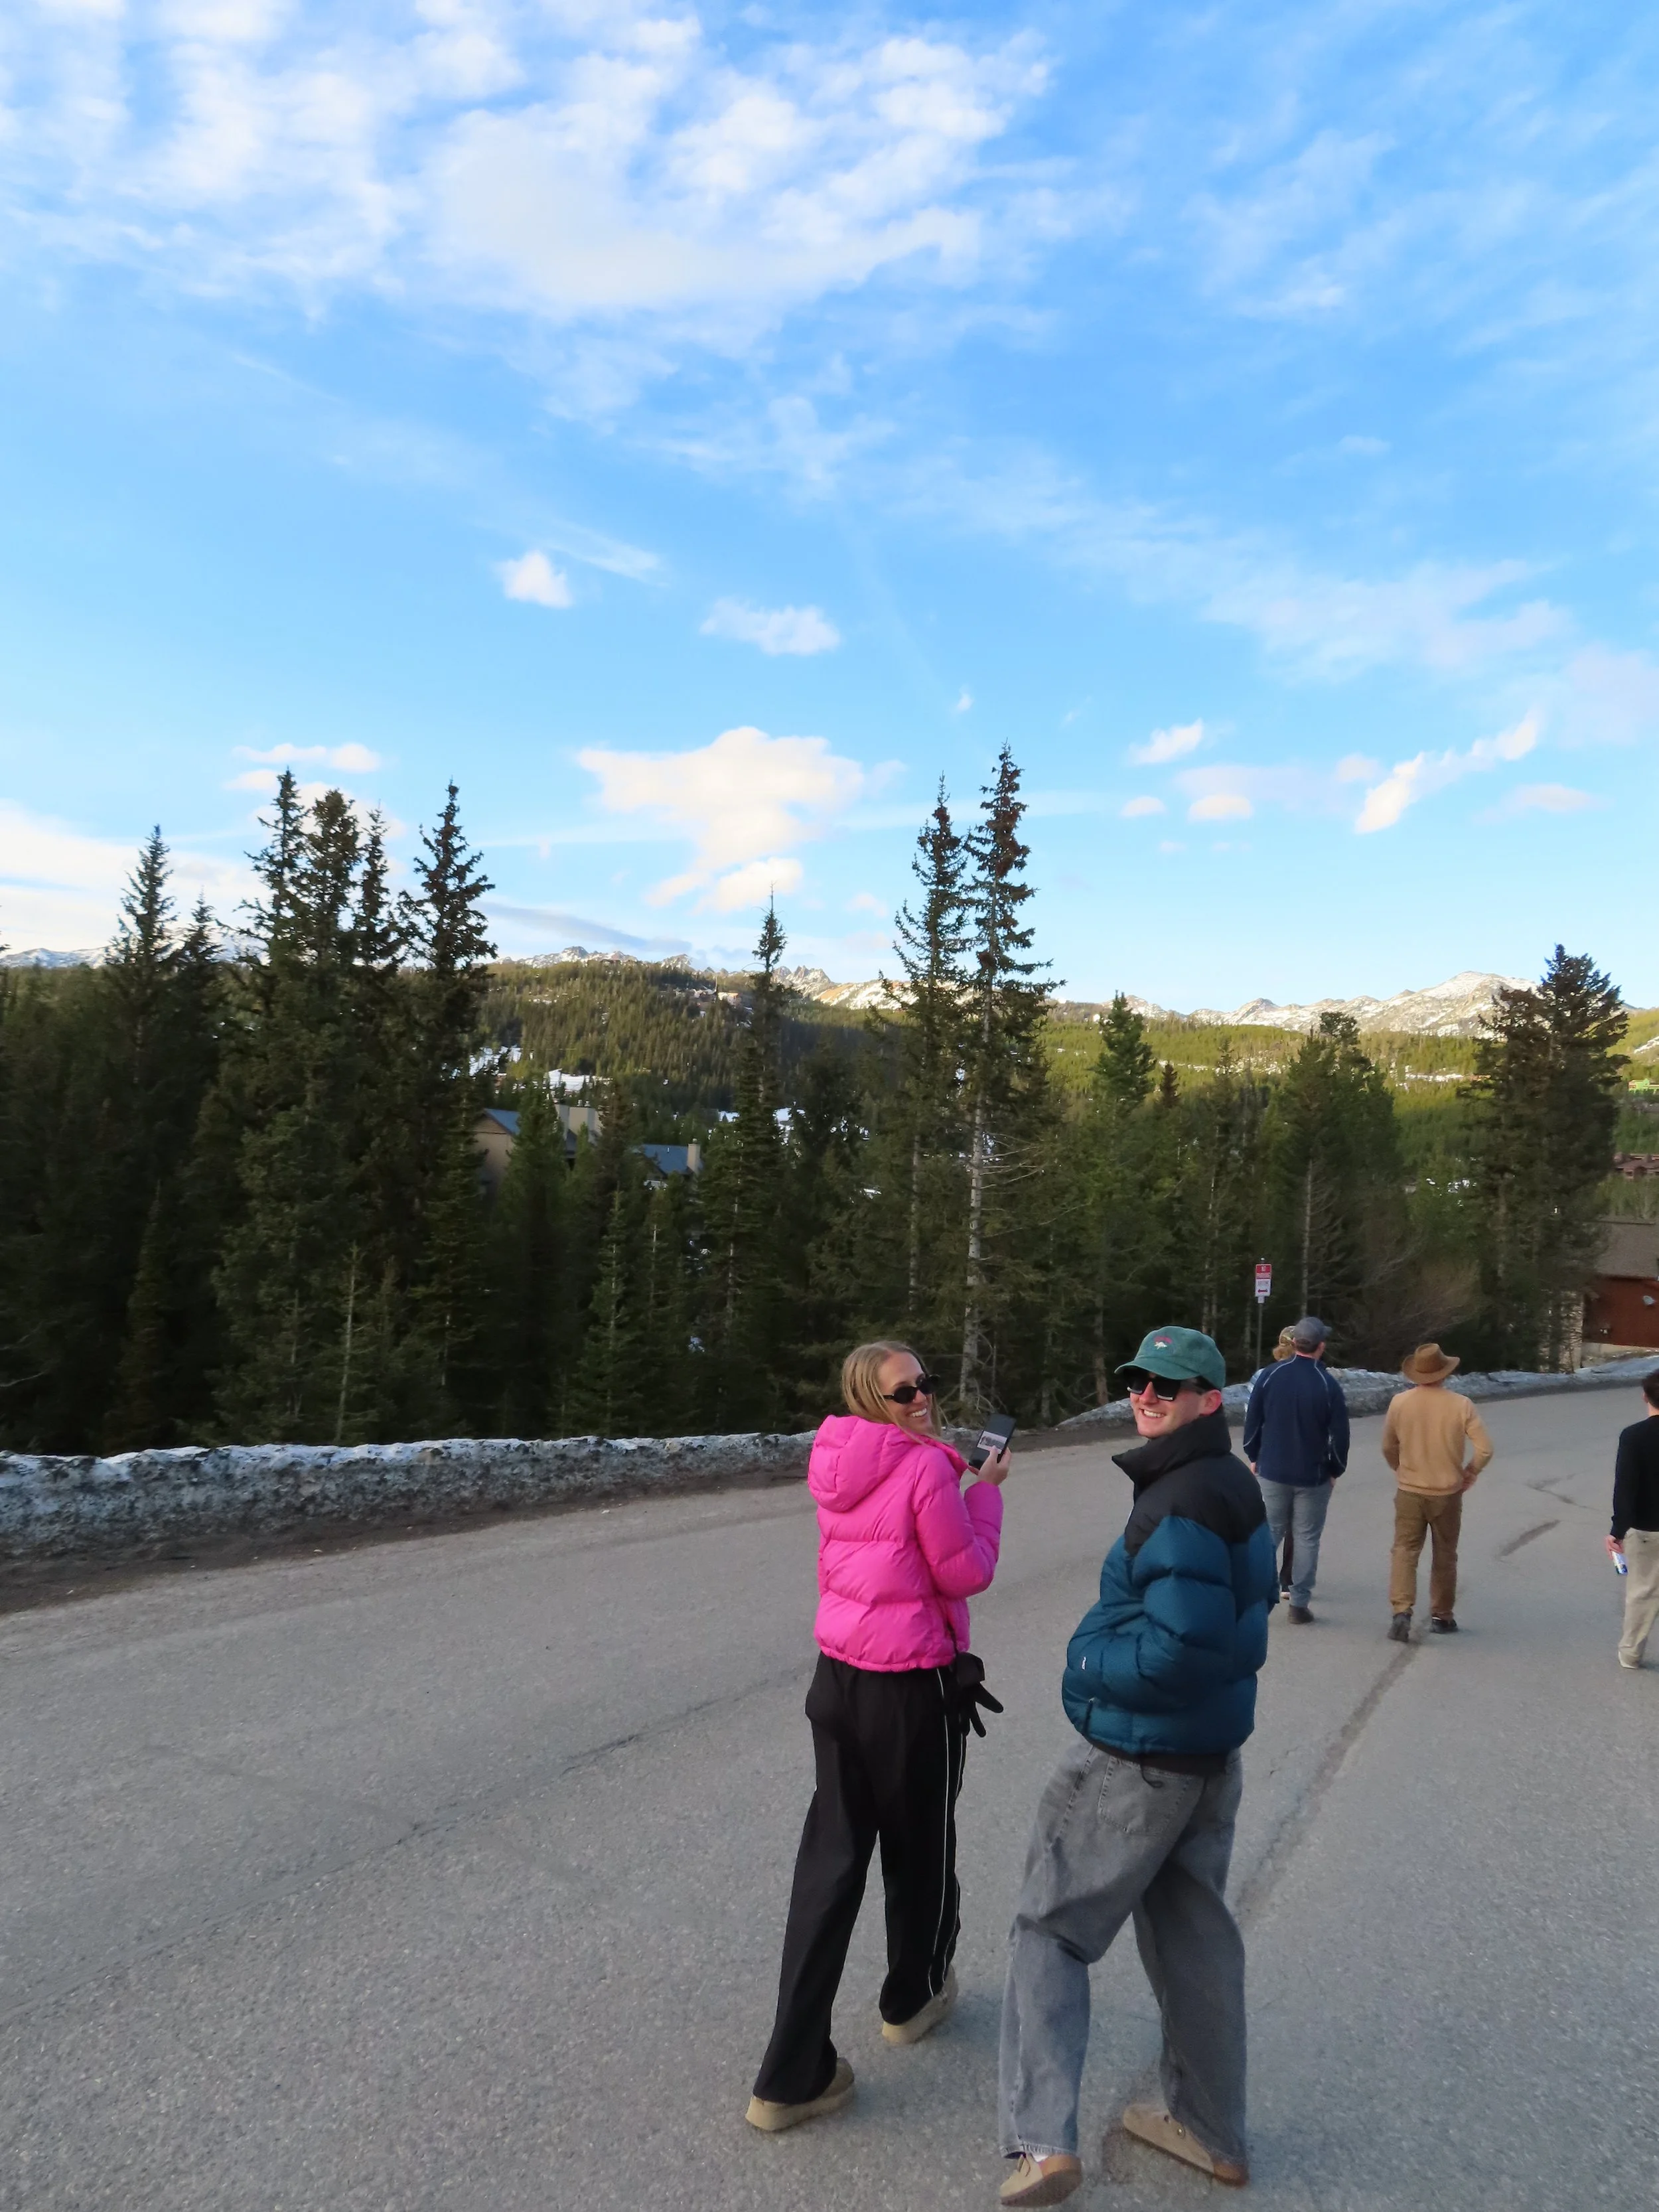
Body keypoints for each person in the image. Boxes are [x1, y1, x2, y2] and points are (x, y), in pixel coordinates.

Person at [996, 1326, 1276, 2205]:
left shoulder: (1182, 1497)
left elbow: (1179, 1651)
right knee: (1194, 1942)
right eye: (1138, 1381)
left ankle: (1042, 2144)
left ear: (1209, 1398)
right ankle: (1212, 2132)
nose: (1146, 1395)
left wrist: (1084, 1665)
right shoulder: (1229, 1482)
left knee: (1050, 1929)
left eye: (1168, 1384)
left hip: (1135, 1760)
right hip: (1205, 1757)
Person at [747, 1341, 1010, 2133]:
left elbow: (891, 1538)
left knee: (830, 1863)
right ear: (873, 1398)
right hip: (908, 1686)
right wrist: (985, 1495)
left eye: (925, 1384)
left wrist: (951, 1480)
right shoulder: (931, 1468)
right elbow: (962, 1573)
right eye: (905, 1392)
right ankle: (912, 1996)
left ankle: (790, 2074)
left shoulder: (837, 1457)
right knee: (919, 1845)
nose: (922, 1399)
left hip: (838, 1681)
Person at [1380, 1343, 1492, 1641]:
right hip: (1447, 1492)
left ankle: (1401, 1611)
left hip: (1410, 1489)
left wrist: (1399, 1467)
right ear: (1445, 1373)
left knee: (1404, 1550)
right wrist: (1470, 1473)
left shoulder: (1400, 1403)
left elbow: (1388, 1446)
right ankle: (1441, 1615)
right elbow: (1485, 1449)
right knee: (1445, 1554)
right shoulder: (1461, 1404)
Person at [1242, 1315, 1350, 1623]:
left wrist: (1254, 1454)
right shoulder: (1327, 1384)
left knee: (1269, 1533)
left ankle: (1254, 1596)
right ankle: (1298, 1604)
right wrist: (1335, 1469)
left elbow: (1253, 1421)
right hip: (1312, 1474)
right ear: (1321, 1346)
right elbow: (1339, 1436)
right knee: (1306, 1537)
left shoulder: (1270, 1376)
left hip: (1272, 1469)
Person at [1606, 1368, 1659, 1669]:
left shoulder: (1634, 1437)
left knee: (1642, 1593)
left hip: (1646, 1528)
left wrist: (1617, 1531)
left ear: (1645, 1397)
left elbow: (1625, 1488)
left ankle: (1631, 1653)